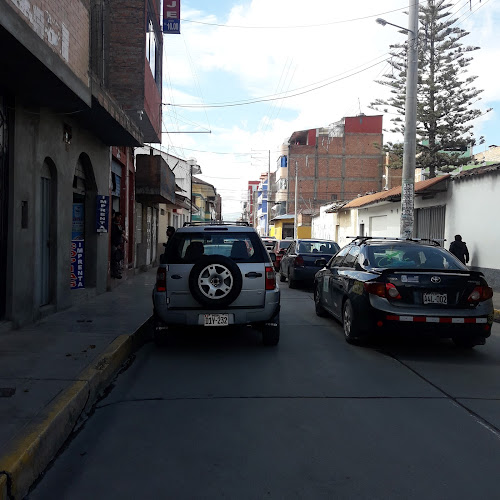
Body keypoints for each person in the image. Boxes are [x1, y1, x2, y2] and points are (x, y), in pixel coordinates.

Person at [111, 211, 127, 279]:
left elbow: (122, 232)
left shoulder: (118, 224)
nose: (119, 218)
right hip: (114, 244)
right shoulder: (114, 224)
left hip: (118, 244)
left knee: (119, 258)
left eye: (120, 217)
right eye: (118, 217)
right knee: (115, 259)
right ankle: (115, 272)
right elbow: (119, 233)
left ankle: (117, 271)